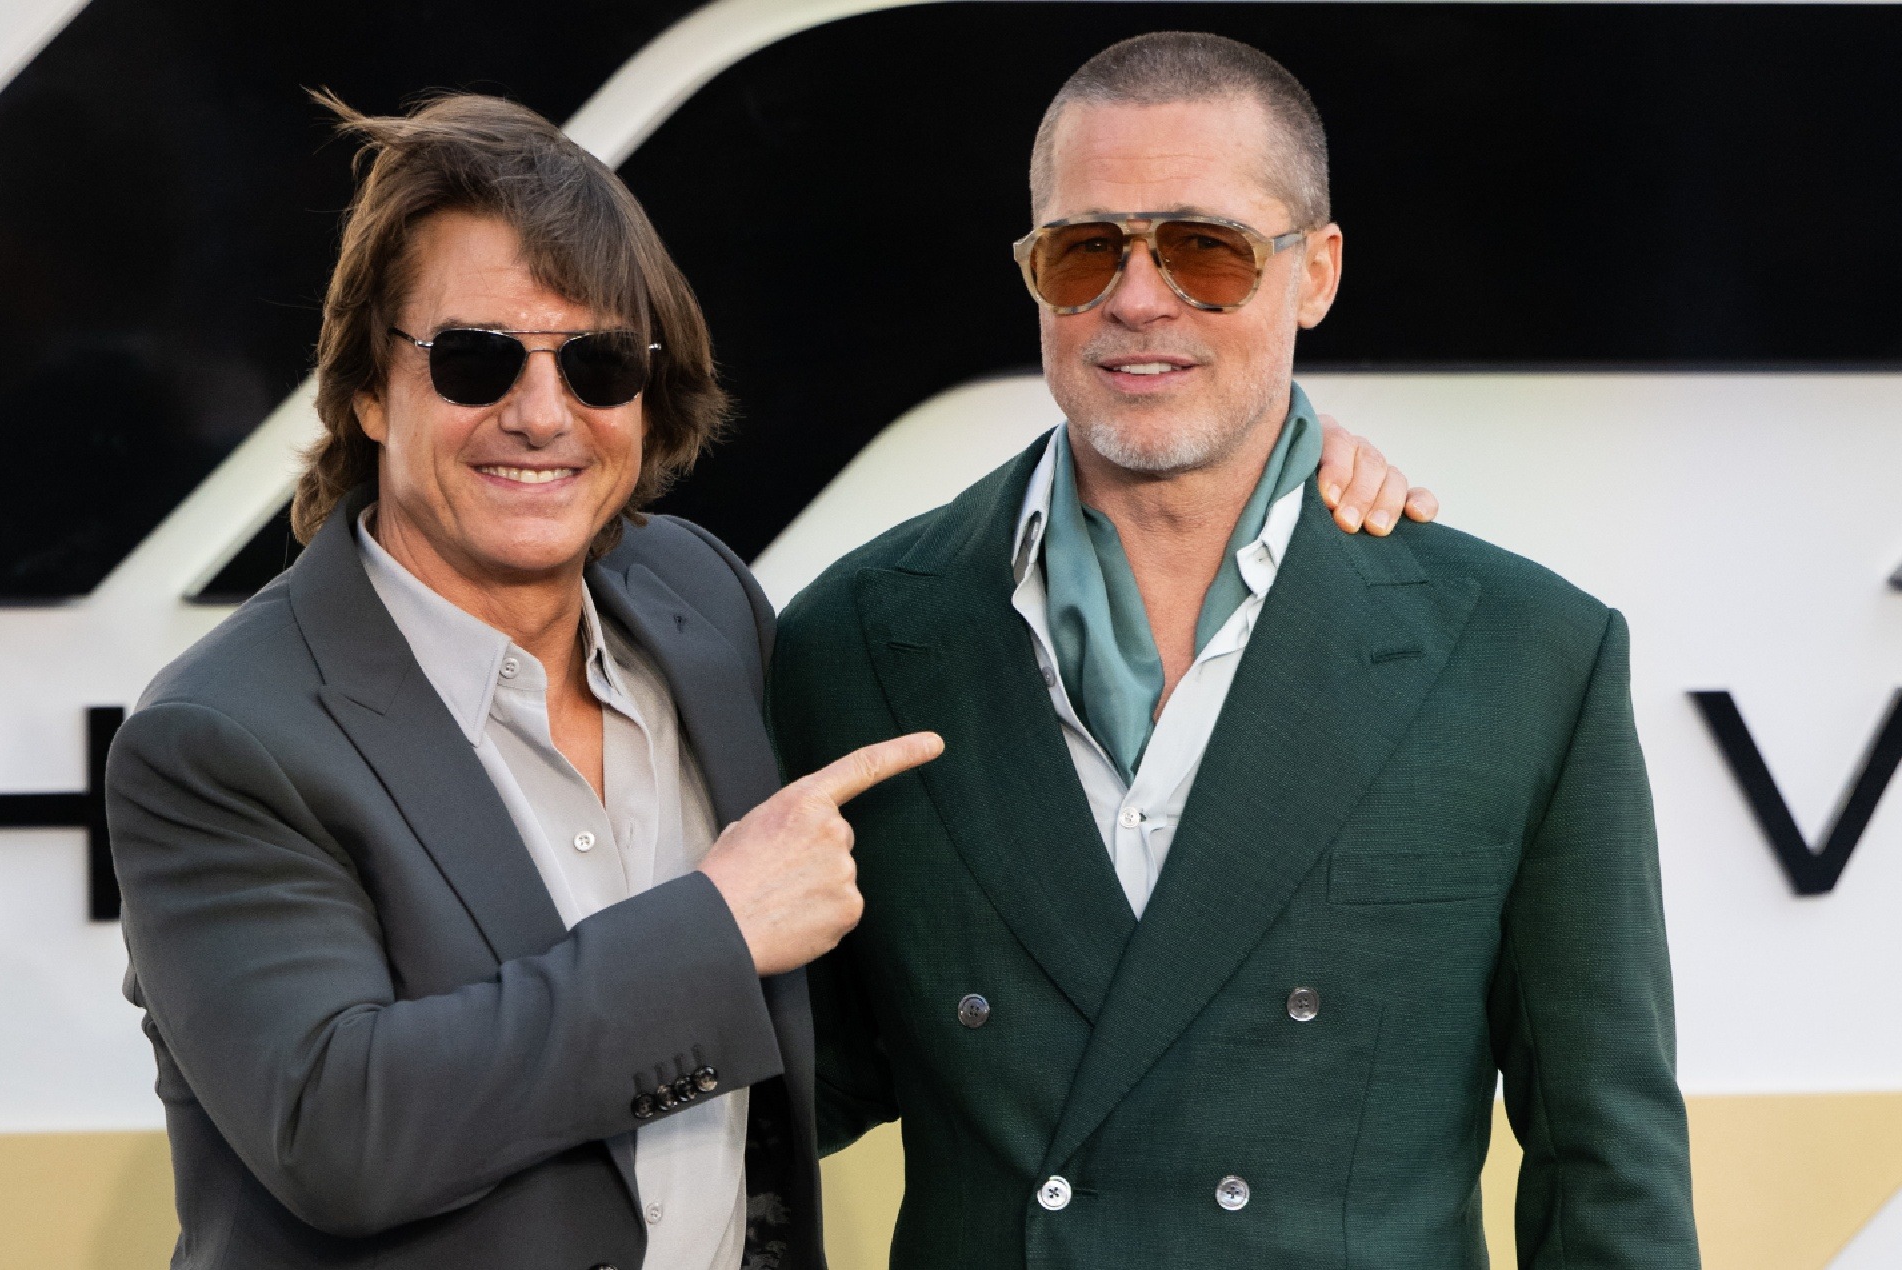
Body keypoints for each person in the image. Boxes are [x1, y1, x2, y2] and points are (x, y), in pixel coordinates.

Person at [104, 92, 1425, 1269]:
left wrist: (1258, 467)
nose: (542, 412)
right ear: (370, 391)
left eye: (600, 362)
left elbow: (840, 1031)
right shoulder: (223, 734)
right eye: (475, 357)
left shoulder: (700, 604)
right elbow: (338, 1130)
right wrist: (716, 931)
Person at [772, 32, 1700, 1270]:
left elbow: (1608, 1165)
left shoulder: (1524, 654)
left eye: (1205, 252)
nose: (1137, 299)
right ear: (1033, 273)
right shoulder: (853, 635)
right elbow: (783, 1102)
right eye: (1083, 251)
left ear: (1311, 272)